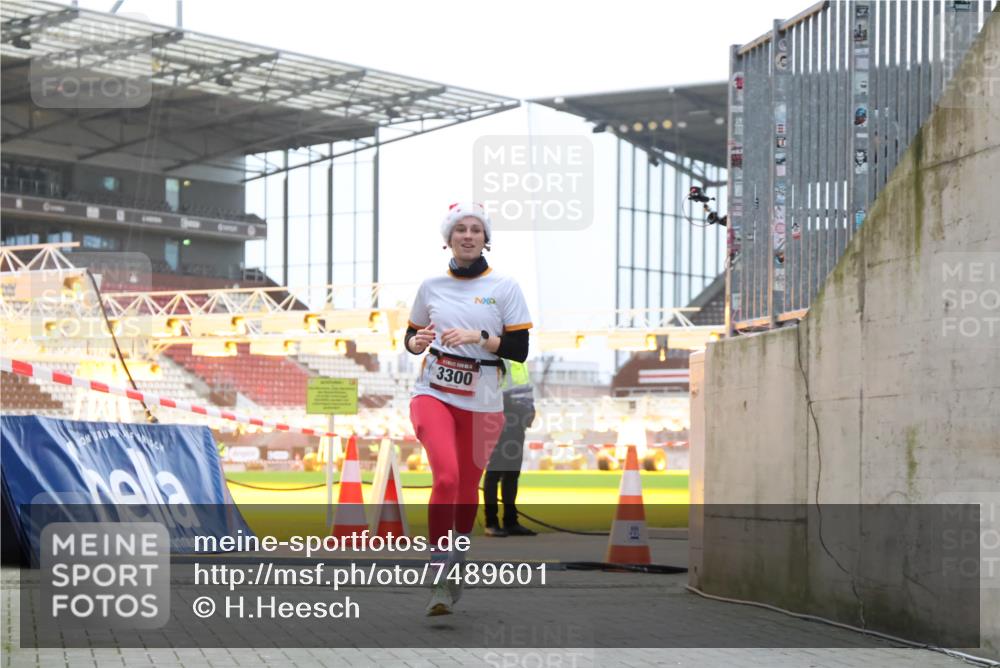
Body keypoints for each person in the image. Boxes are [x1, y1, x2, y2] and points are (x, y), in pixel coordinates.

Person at [404, 202, 531, 616]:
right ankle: (439, 574)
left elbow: (520, 350)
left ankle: (457, 561)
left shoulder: (506, 286)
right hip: (433, 393)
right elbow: (410, 334)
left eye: (477, 229)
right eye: (461, 229)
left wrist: (479, 337)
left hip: (483, 401)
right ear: (449, 239)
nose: (469, 235)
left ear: (485, 238)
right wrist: (415, 344)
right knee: (446, 477)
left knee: (464, 491)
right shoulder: (430, 286)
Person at [482, 359, 537, 537]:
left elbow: (524, 388)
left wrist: (529, 410)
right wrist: (516, 408)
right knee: (494, 473)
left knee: (512, 473)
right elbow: (490, 389)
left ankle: (510, 521)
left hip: (517, 421)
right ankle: (491, 522)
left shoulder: (518, 358)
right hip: (501, 418)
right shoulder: (498, 353)